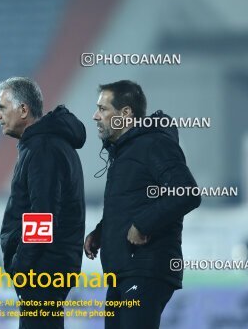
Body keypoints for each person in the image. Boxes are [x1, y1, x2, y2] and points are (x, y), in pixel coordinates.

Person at [84, 80, 201, 329]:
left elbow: (187, 192)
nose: (95, 116)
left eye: (103, 109)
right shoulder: (125, 150)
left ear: (125, 113)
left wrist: (143, 225)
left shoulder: (154, 144)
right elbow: (133, 201)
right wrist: (102, 231)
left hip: (145, 267)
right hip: (125, 270)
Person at [0, 77, 86, 329]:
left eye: (2, 107)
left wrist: (21, 266)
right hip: (47, 266)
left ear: (23, 110)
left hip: (42, 269)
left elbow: (43, 216)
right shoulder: (44, 145)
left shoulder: (42, 149)